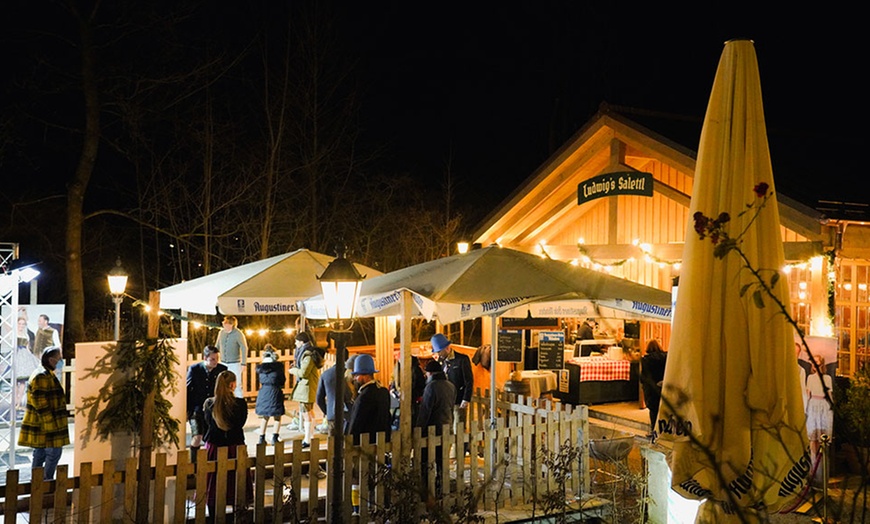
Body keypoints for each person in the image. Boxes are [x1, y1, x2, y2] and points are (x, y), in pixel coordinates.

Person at [203, 370, 251, 517]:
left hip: (215, 446)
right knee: (237, 482)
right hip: (234, 445)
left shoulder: (209, 403)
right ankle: (240, 515)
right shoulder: (240, 404)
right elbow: (240, 423)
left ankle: (213, 515)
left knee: (213, 482)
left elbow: (206, 425)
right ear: (232, 384)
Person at [18, 346, 69, 480]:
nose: (61, 361)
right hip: (46, 427)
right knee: (52, 454)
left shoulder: (46, 374)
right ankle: (45, 484)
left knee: (40, 455)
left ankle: (38, 483)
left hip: (45, 427)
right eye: (59, 358)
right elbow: (40, 402)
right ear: (51, 360)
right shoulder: (41, 376)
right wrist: (51, 425)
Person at [416, 359, 455, 495]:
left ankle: (430, 491)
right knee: (442, 463)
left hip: (432, 431)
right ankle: (443, 489)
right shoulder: (450, 386)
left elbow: (425, 411)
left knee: (427, 463)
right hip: (447, 428)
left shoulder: (431, 387)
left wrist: (418, 429)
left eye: (427, 374)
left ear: (430, 373)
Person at [431, 333, 473, 453]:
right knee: (447, 428)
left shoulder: (462, 360)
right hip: (446, 401)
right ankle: (449, 454)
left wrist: (466, 398)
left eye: (439, 351)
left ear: (447, 348)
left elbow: (469, 381)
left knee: (458, 428)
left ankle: (459, 455)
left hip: (459, 400)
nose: (438, 354)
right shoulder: (441, 361)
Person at [186, 345, 227, 462]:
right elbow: (188, 389)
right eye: (212, 359)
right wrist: (187, 410)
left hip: (214, 409)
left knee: (212, 438)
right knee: (197, 436)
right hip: (197, 409)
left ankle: (210, 462)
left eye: (217, 359)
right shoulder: (195, 369)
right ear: (205, 358)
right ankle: (193, 464)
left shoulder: (222, 369)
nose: (215, 362)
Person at [345, 354, 392, 444]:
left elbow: (355, 425)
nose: (355, 379)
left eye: (357, 375)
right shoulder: (383, 392)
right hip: (382, 442)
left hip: (366, 445)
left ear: (365, 376)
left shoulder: (363, 397)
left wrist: (350, 444)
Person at [289, 331, 321, 448]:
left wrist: (292, 371)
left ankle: (307, 439)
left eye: (297, 341)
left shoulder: (307, 355)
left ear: (302, 342)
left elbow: (304, 372)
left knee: (306, 413)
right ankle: (310, 436)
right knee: (309, 412)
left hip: (306, 387)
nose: (295, 343)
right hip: (307, 386)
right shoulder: (307, 353)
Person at [316, 354, 356, 436]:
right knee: (349, 443)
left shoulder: (326, 374)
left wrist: (327, 411)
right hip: (350, 413)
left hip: (332, 414)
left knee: (333, 443)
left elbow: (319, 398)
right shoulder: (352, 373)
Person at [255, 345, 286, 445]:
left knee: (265, 416)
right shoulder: (278, 368)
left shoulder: (260, 369)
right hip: (275, 391)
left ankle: (261, 438)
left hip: (264, 391)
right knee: (277, 416)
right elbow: (282, 380)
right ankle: (275, 437)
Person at [806, 354, 834, 461]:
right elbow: (808, 395)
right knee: (813, 438)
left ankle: (822, 465)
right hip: (813, 407)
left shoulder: (827, 378)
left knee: (823, 438)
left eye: (817, 362)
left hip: (824, 407)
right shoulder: (810, 378)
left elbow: (829, 395)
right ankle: (813, 466)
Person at [215, 316, 248, 398]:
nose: (223, 324)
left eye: (225, 323)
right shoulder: (221, 333)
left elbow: (244, 348)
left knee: (237, 384)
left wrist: (244, 363)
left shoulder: (238, 334)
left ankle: (239, 401)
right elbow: (217, 346)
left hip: (234, 363)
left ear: (231, 324)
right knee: (222, 383)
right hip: (222, 362)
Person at [641, 339, 668, 434]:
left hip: (652, 390)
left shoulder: (646, 360)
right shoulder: (666, 357)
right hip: (664, 387)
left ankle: (654, 432)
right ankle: (664, 431)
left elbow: (644, 377)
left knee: (653, 412)